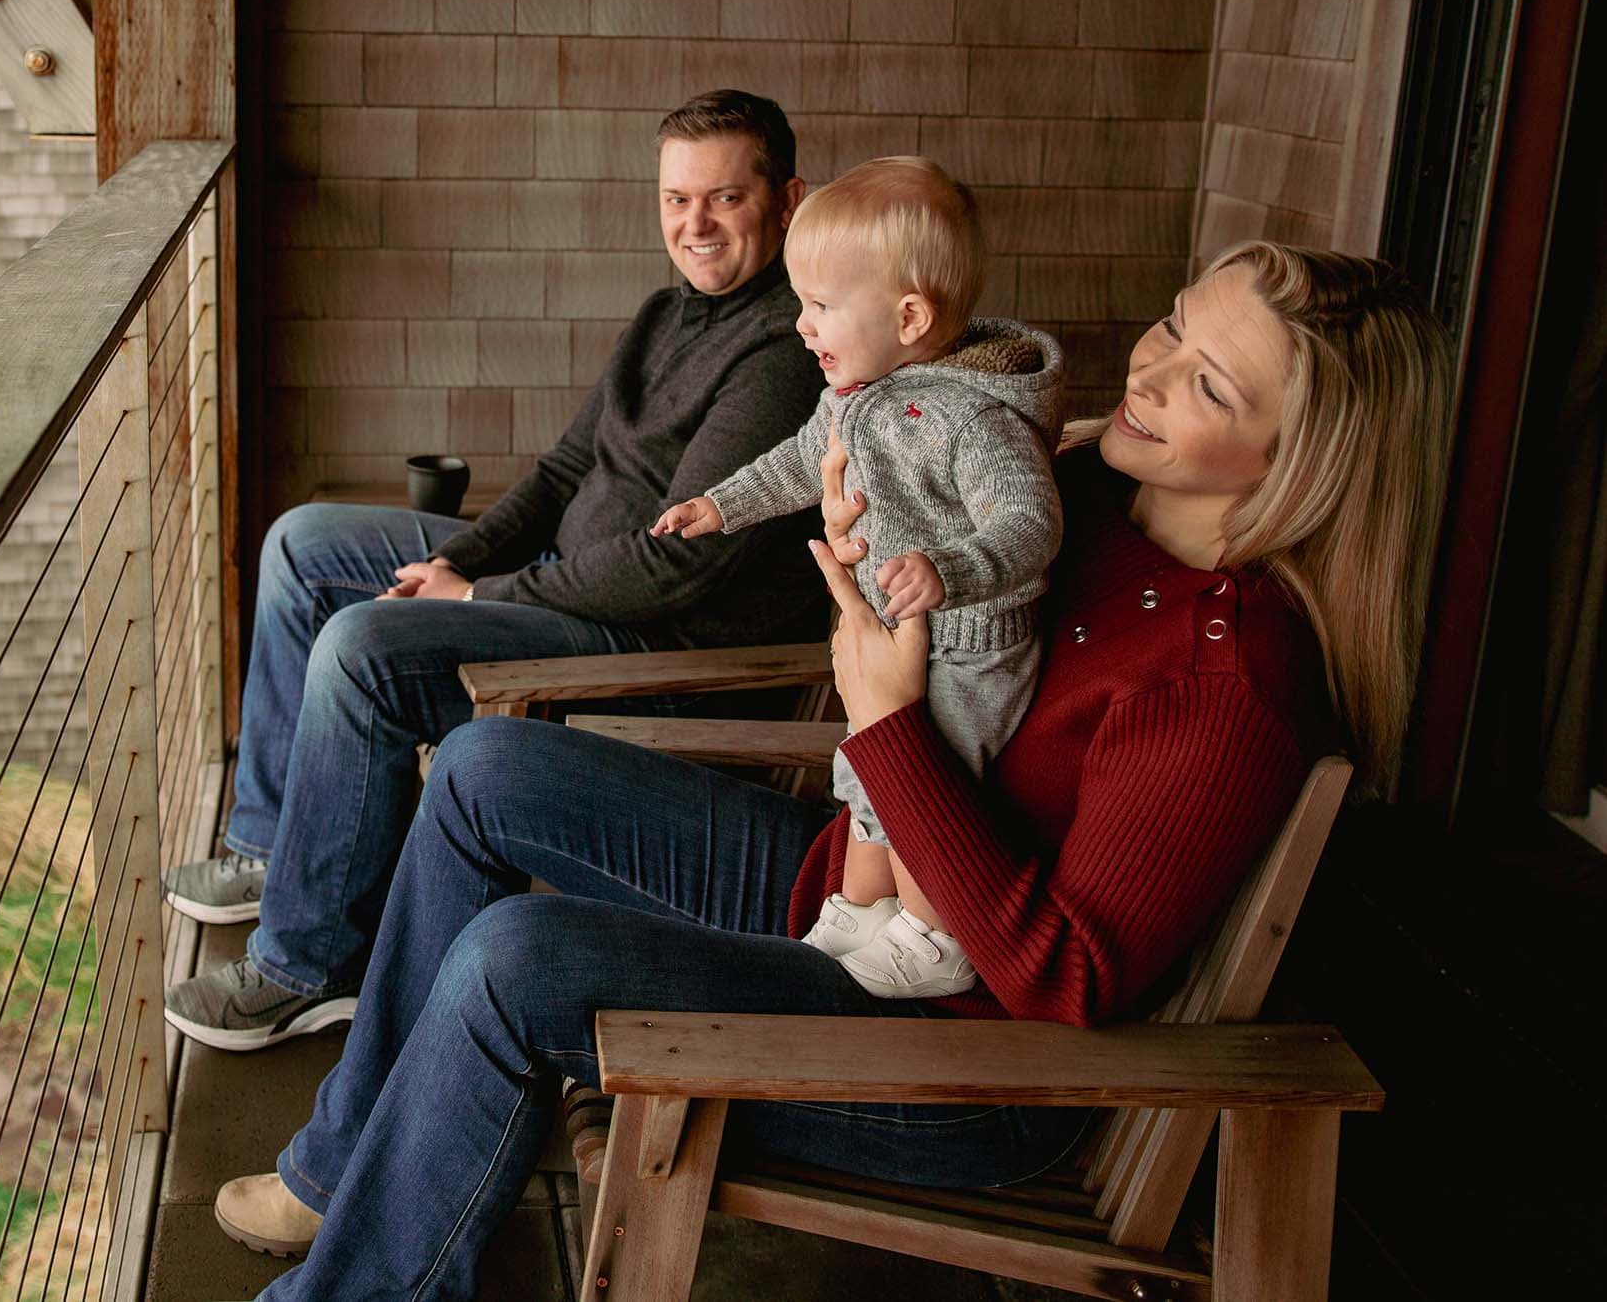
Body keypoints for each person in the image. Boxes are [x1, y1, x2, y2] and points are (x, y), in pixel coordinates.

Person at [207, 242, 1451, 1290]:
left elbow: (1062, 974)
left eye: (1211, 386)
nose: (1149, 371)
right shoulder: (1079, 497)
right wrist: (857, 552)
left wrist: (886, 720)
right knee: (483, 767)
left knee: (516, 960)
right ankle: (346, 1176)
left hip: (962, 1052)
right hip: (852, 895)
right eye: (1172, 329)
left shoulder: (1226, 677)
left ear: (1305, 461)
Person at [161, 91, 829, 1053]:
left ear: (787, 200)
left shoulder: (780, 352)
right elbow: (565, 470)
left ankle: (308, 964)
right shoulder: (666, 314)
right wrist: (455, 555)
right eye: (676, 200)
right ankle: (276, 849)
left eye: (723, 199)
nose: (694, 224)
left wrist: (478, 595)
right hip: (569, 583)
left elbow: (673, 571)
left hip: (649, 643)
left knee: (362, 649)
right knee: (304, 546)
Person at [652, 157, 1065, 1000]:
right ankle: (865, 905)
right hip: (891, 634)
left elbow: (1031, 522)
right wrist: (721, 505)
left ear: (908, 316)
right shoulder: (855, 392)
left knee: (921, 783)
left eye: (821, 306)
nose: (802, 325)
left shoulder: (976, 419)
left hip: (968, 648)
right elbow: (804, 460)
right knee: (868, 770)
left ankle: (937, 929)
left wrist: (950, 568)